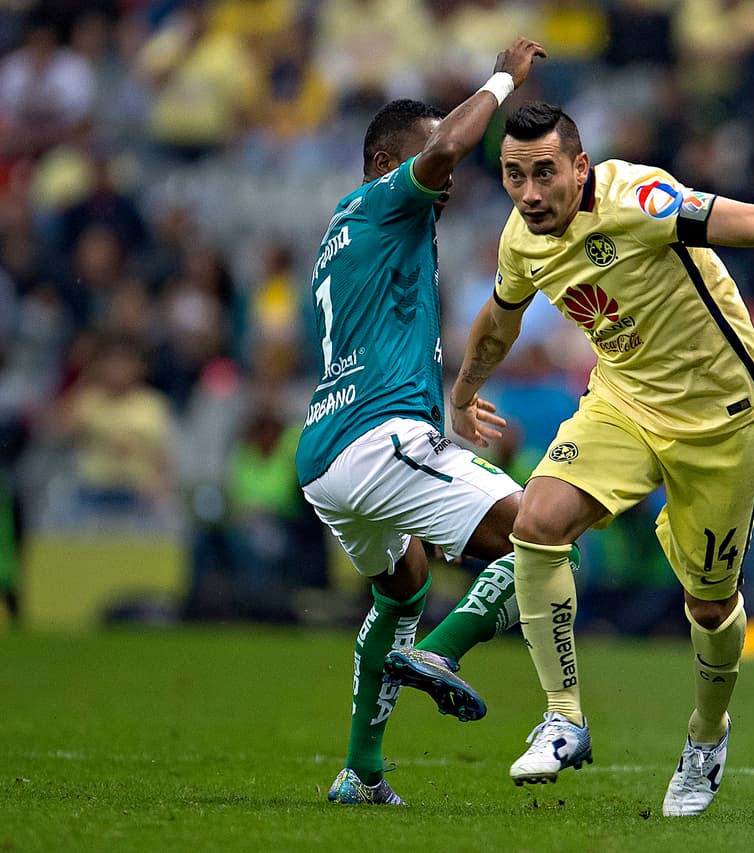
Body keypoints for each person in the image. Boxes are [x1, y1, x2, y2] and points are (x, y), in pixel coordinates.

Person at [449, 102, 754, 816]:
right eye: (514, 175)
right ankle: (564, 716)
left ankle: (707, 735)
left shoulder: (640, 200)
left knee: (708, 604)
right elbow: (501, 315)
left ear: (580, 168)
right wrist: (464, 391)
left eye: (545, 173)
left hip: (722, 421)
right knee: (538, 519)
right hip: (622, 404)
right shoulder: (522, 239)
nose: (530, 193)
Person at [294, 39, 553, 807]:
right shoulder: (382, 200)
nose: (444, 180)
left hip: (328, 455)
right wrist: (504, 78)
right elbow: (446, 146)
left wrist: (452, 396)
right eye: (420, 162)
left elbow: (386, 335)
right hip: (377, 441)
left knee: (403, 585)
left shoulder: (346, 235)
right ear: (381, 161)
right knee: (540, 533)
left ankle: (361, 772)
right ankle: (443, 652)